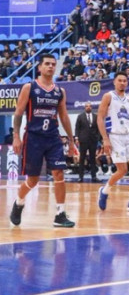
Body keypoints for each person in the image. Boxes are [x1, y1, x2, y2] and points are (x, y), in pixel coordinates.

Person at [9, 54, 77, 228]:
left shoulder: (59, 91)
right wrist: (16, 136)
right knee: (33, 180)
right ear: (39, 67)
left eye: (53, 64)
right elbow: (18, 113)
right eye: (47, 64)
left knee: (59, 173)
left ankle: (60, 214)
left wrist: (71, 140)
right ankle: (19, 202)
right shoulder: (29, 87)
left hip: (53, 137)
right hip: (34, 137)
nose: (51, 66)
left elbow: (64, 116)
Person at [97, 72, 129, 213]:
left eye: (125, 80)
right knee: (122, 170)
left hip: (128, 135)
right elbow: (100, 118)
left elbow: (128, 120)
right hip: (115, 136)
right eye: (120, 80)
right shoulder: (108, 96)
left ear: (127, 83)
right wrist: (105, 139)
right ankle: (104, 191)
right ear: (114, 82)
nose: (122, 83)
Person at [75, 102, 100, 183]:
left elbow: (98, 128)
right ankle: (80, 177)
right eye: (86, 106)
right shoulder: (80, 116)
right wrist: (76, 138)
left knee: (93, 159)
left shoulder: (96, 116)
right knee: (82, 158)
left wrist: (97, 137)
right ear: (84, 107)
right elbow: (77, 128)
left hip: (93, 140)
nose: (88, 107)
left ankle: (94, 176)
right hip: (83, 140)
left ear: (91, 107)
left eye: (89, 106)